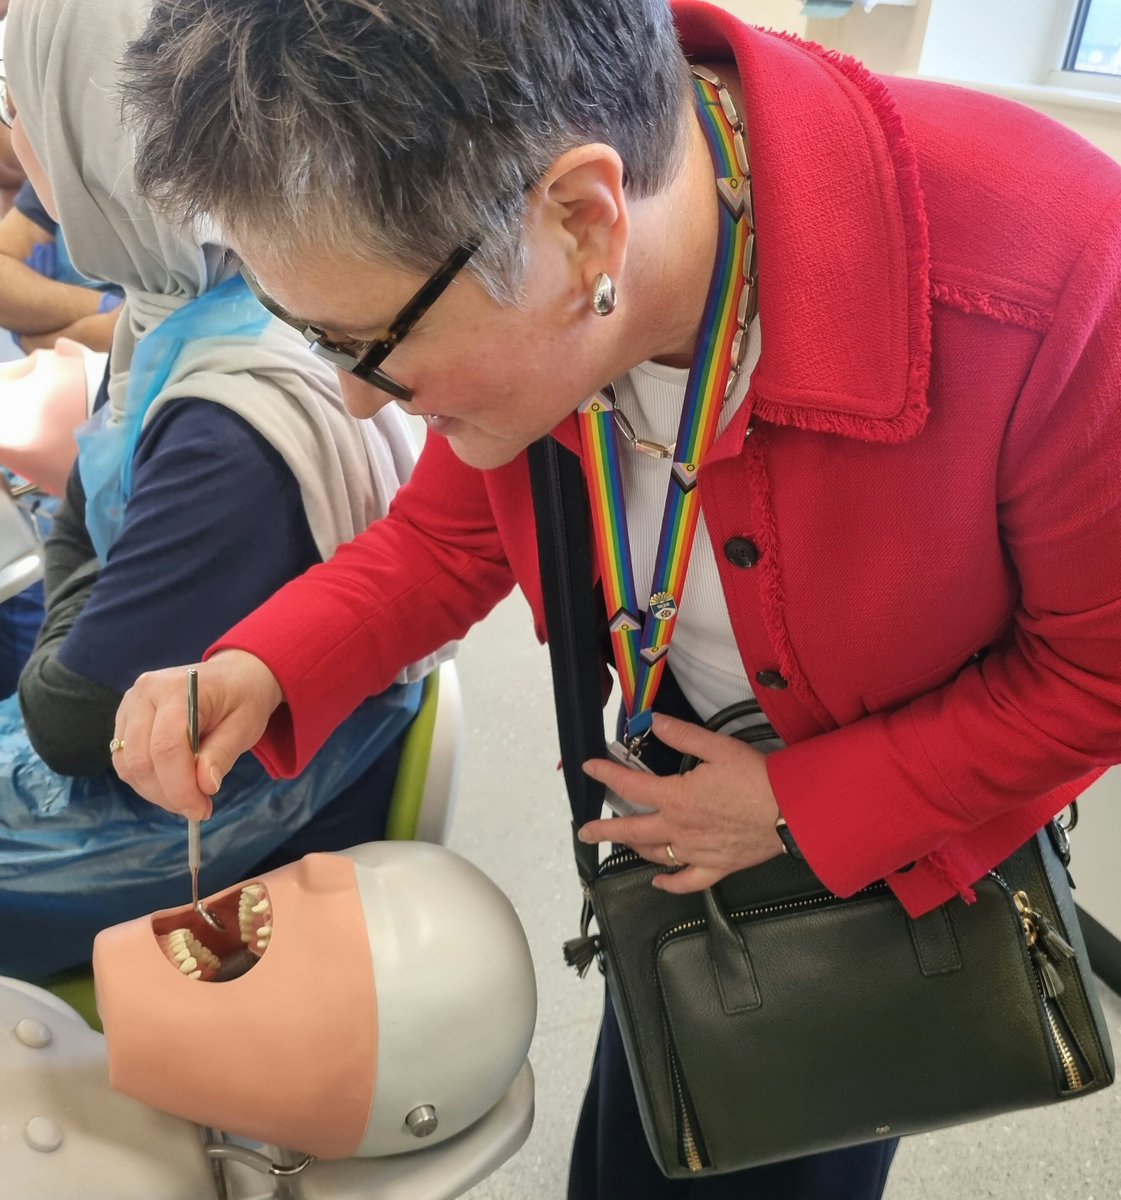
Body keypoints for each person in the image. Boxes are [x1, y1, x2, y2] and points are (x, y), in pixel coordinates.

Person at [101, 0, 1121, 1197]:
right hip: (683, 815)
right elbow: (448, 538)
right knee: (655, 1096)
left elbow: (1094, 679)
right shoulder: (530, 257)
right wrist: (261, 668)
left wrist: (796, 808)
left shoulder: (1049, 273)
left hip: (879, 854)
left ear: (583, 223)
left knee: (780, 1137)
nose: (359, 402)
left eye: (367, 343)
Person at [0, 0, 444, 980]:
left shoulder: (225, 428)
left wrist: (74, 553)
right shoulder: (200, 297)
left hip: (254, 815)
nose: (17, 138)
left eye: (17, 103)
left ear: (95, 136)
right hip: (202, 720)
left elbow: (70, 720)